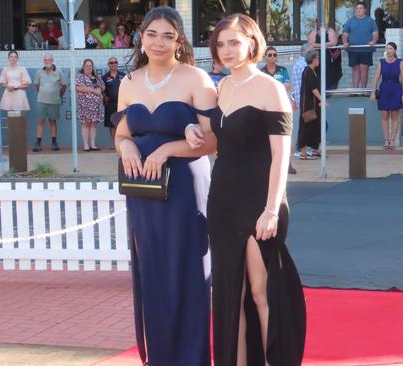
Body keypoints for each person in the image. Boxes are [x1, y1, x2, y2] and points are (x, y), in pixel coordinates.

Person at [185, 13, 306, 366]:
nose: (227, 50)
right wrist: (195, 131)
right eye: (221, 44)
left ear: (252, 43)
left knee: (260, 290)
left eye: (234, 42)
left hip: (259, 203)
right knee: (228, 295)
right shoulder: (221, 87)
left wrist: (271, 209)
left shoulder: (271, 88)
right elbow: (217, 140)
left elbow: (281, 155)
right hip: (222, 203)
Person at [112, 6, 215, 365]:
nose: (159, 42)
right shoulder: (129, 82)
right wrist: (125, 145)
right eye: (152, 34)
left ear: (179, 40)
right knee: (153, 271)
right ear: (141, 37)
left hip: (186, 191)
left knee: (188, 272)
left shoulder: (195, 78)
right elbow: (122, 133)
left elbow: (214, 140)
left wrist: (168, 148)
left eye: (167, 35)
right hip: (144, 192)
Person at [371, 42, 403, 150]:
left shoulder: (400, 62)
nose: (388, 50)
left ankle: (392, 140)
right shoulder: (381, 62)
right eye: (387, 49)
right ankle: (386, 139)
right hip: (385, 88)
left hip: (396, 88)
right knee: (384, 115)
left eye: (390, 48)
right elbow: (376, 77)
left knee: (395, 115)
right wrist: (373, 92)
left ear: (395, 50)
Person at [33, 53, 67, 152]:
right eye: (45, 60)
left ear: (52, 60)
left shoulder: (59, 71)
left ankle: (54, 143)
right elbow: (37, 85)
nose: (47, 61)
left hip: (54, 101)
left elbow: (64, 86)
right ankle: (38, 143)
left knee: (53, 121)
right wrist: (43, 93)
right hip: (41, 101)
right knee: (40, 121)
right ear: (44, 61)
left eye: (49, 59)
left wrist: (58, 95)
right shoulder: (39, 72)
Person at [342, 1, 379, 88]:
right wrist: (345, 42)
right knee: (355, 70)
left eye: (361, 8)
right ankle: (355, 91)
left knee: (364, 70)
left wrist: (373, 41)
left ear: (365, 10)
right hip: (353, 49)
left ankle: (363, 90)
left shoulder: (371, 21)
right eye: (357, 8)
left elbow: (375, 33)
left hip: (366, 49)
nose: (358, 10)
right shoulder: (350, 21)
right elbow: (344, 33)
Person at [298, 49, 324, 159]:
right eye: (317, 58)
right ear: (313, 59)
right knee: (306, 128)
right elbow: (313, 89)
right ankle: (303, 153)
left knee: (316, 127)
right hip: (308, 105)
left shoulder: (313, 71)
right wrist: (322, 99)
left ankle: (315, 151)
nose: (319, 60)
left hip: (314, 105)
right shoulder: (307, 71)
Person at [75, 59, 104, 151]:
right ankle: (86, 145)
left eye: (90, 66)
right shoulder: (80, 76)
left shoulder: (97, 77)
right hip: (85, 105)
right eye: (87, 65)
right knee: (86, 124)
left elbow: (103, 86)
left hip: (96, 106)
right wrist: (94, 90)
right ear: (83, 67)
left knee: (94, 124)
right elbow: (79, 87)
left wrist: (100, 89)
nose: (88, 67)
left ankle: (93, 144)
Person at [307, 21, 343, 89]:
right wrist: (322, 45)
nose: (325, 24)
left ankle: (328, 89)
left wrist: (321, 45)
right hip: (317, 56)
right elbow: (310, 44)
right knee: (317, 72)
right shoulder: (314, 32)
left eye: (326, 23)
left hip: (329, 56)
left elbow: (334, 42)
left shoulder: (331, 31)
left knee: (330, 72)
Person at [101, 56, 125, 147]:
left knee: (121, 124)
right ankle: (115, 143)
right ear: (108, 65)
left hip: (122, 104)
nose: (113, 64)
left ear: (117, 64)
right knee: (112, 125)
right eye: (111, 63)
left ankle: (121, 143)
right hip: (110, 104)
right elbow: (101, 90)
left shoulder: (123, 75)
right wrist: (104, 97)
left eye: (115, 62)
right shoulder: (104, 77)